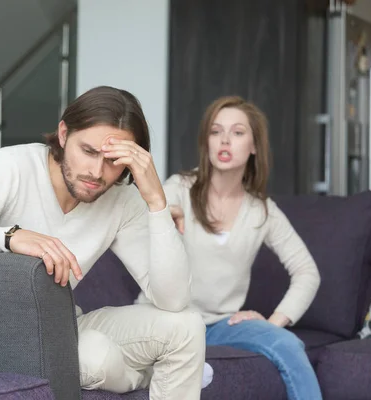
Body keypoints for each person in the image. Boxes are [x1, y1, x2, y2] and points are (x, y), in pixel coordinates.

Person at [0, 86, 206, 399]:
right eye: (88, 151)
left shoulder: (122, 199)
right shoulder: (11, 167)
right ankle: (144, 376)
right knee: (96, 355)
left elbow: (173, 301)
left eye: (114, 160)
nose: (97, 172)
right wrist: (8, 237)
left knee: (187, 326)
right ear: (63, 134)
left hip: (63, 325)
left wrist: (156, 201)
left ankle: (149, 374)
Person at [136, 96, 322, 400]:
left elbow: (307, 272)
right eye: (215, 131)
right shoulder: (180, 188)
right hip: (168, 319)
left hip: (222, 324)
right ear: (206, 142)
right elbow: (148, 211)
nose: (224, 140)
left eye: (237, 133)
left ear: (253, 147)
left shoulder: (262, 211)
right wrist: (166, 214)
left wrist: (274, 322)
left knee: (288, 344)